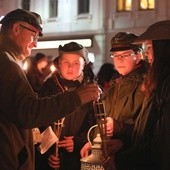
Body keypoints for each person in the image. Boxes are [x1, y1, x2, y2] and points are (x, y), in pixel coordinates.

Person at [0, 8, 101, 170]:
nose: (35, 43)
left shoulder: (8, 60)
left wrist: (79, 141)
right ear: (16, 28)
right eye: (33, 35)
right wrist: (76, 98)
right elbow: (29, 112)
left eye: (76, 63)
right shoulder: (6, 63)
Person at [112, 20, 170, 170]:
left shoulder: (164, 86)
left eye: (150, 47)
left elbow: (159, 146)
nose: (147, 53)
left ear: (163, 48)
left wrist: (119, 160)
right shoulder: (156, 82)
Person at [80, 32, 148, 159]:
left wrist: (119, 128)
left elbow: (149, 131)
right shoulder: (114, 83)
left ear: (138, 56)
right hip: (110, 158)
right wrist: (94, 142)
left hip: (131, 159)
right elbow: (103, 121)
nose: (119, 59)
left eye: (125, 55)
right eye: (116, 55)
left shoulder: (146, 85)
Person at [35, 42, 97, 170]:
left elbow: (97, 126)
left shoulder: (92, 91)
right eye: (66, 62)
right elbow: (37, 127)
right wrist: (47, 154)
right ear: (59, 64)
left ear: (84, 65)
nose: (70, 67)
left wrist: (79, 142)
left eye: (76, 63)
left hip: (79, 161)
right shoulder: (48, 89)